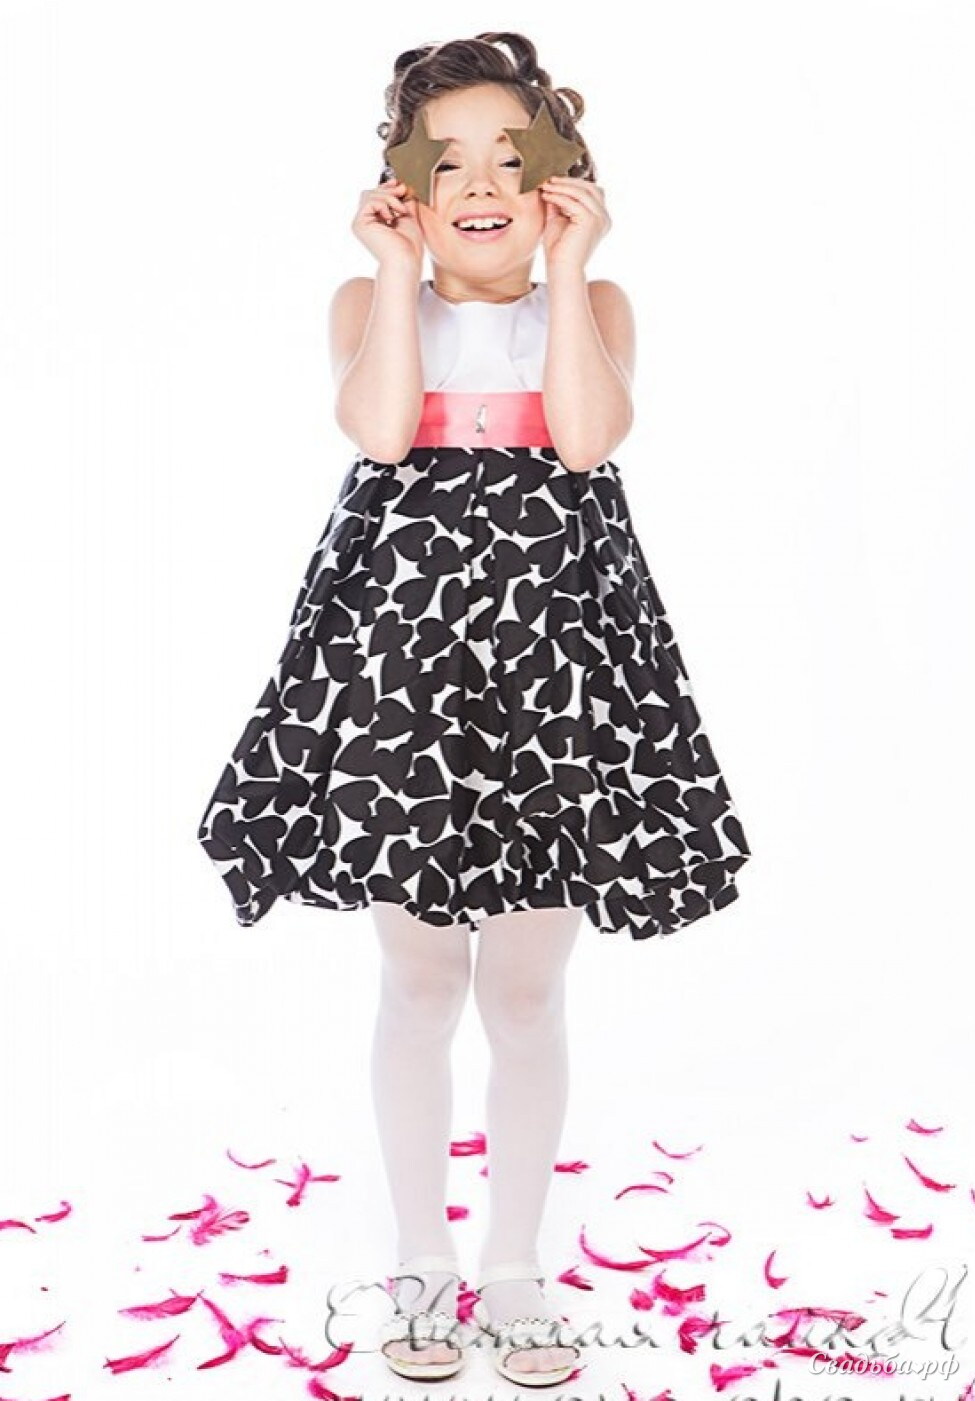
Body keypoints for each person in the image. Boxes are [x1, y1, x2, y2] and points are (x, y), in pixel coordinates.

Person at [197, 31, 752, 1387]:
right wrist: (398, 274)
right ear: (405, 188)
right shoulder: (366, 297)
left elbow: (588, 438)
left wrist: (572, 264)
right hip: (407, 663)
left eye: (515, 159)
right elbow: (383, 432)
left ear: (562, 175)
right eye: (448, 165)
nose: (484, 185)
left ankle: (513, 1260)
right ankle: (419, 1257)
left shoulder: (597, 303)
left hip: (558, 663)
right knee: (420, 972)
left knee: (525, 981)